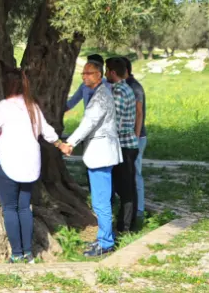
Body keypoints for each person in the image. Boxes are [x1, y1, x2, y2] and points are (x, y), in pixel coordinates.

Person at [0, 68, 69, 263]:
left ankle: (16, 254)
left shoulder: (4, 107)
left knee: (9, 208)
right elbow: (47, 131)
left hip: (9, 162)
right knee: (24, 208)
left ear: (6, 86)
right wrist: (61, 145)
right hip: (31, 164)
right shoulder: (32, 107)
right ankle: (28, 254)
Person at [61, 60, 121, 257]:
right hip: (99, 154)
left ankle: (105, 242)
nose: (85, 76)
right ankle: (104, 237)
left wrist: (69, 143)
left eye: (89, 73)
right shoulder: (100, 93)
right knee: (100, 200)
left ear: (99, 75)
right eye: (83, 73)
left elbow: (88, 123)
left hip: (101, 155)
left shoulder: (101, 97)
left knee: (101, 202)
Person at [106, 57, 139, 232]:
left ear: (112, 72)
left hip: (124, 145)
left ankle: (125, 226)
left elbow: (115, 122)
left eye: (106, 70)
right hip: (128, 144)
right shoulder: (126, 88)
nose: (105, 74)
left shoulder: (118, 91)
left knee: (125, 189)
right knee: (127, 186)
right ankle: (127, 223)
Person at [123, 57, 148, 224]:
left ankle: (139, 209)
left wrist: (135, 136)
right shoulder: (124, 86)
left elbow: (139, 114)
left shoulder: (134, 87)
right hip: (128, 137)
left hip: (136, 137)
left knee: (136, 172)